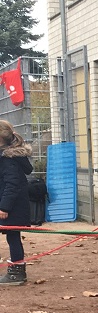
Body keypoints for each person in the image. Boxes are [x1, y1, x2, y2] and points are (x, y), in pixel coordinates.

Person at [0, 119, 33, 286]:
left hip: (12, 207)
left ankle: (17, 272)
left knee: (13, 237)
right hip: (13, 205)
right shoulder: (8, 157)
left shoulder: (8, 159)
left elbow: (12, 184)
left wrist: (4, 207)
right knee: (13, 237)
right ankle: (16, 268)